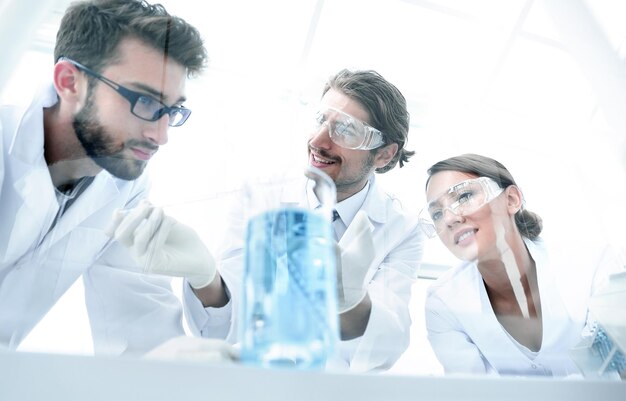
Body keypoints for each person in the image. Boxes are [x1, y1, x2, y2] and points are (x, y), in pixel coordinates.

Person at [0, 0, 208, 355]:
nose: (160, 136)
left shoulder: (124, 188)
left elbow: (141, 335)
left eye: (170, 111)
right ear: (69, 81)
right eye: (145, 101)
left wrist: (191, 363)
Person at [177, 69, 424, 372]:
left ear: (384, 155)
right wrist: (204, 279)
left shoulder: (402, 230)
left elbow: (385, 344)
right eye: (322, 120)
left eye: (346, 130)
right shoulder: (262, 194)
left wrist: (350, 302)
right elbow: (224, 327)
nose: (318, 141)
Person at [420, 153, 623, 376]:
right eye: (437, 213)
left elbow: (616, 370)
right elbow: (474, 394)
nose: (450, 219)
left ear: (511, 200)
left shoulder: (592, 264)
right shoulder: (443, 303)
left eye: (465, 196)